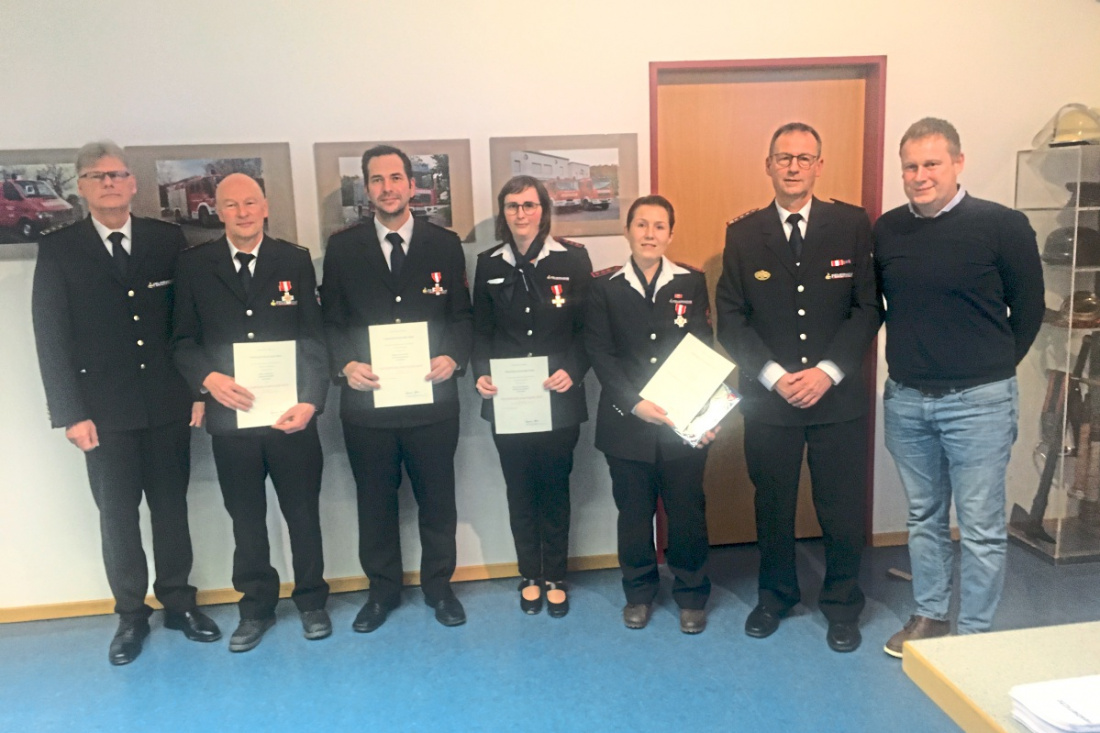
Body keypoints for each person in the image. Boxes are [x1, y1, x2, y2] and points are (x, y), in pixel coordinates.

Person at [31, 141, 220, 665]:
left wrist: (197, 390)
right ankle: (131, 615)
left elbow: (188, 322)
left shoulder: (166, 240)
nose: (109, 183)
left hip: (168, 401)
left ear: (133, 183)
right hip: (102, 412)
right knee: (117, 515)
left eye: (116, 174)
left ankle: (179, 603)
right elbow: (51, 337)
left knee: (171, 509)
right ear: (81, 187)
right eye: (97, 176)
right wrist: (69, 413)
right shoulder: (60, 248)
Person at [875, 118, 1044, 657]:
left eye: (932, 164)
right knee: (923, 518)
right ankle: (930, 616)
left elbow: (1030, 309)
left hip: (979, 404)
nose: (920, 175)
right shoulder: (887, 230)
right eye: (911, 166)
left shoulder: (1002, 225)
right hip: (907, 400)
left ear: (958, 163)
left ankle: (973, 637)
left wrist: (988, 369)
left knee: (980, 527)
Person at [715, 122, 880, 653]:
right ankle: (776, 595)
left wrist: (827, 371)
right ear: (768, 165)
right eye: (783, 157)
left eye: (804, 158)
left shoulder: (851, 224)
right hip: (771, 401)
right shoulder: (745, 234)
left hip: (837, 399)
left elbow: (867, 308)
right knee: (773, 505)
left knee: (841, 508)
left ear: (819, 166)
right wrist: (774, 375)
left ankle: (842, 604)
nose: (793, 167)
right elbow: (730, 318)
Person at [172, 173, 331, 652]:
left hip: (292, 418)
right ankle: (256, 607)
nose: (241, 213)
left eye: (249, 203)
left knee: (303, 515)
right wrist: (207, 379)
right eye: (230, 205)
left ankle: (312, 601)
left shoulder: (294, 260)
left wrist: (312, 400)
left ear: (265, 207)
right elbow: (181, 341)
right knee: (246, 520)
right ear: (217, 212)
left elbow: (314, 337)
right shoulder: (195, 265)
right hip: (231, 419)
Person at [322, 145, 473, 630]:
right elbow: (330, 321)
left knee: (438, 502)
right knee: (375, 506)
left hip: (433, 402)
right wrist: (346, 364)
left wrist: (453, 356)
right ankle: (381, 592)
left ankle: (439, 589)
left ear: (411, 185)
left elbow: (462, 315)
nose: (386, 188)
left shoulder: (444, 244)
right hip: (367, 405)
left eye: (394, 178)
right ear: (366, 189)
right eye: (376, 179)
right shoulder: (343, 248)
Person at [585, 194, 718, 634]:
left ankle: (692, 594)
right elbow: (600, 353)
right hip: (626, 423)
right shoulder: (604, 286)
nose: (649, 234)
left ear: (670, 234)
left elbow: (702, 349)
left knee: (687, 512)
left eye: (659, 226)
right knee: (634, 515)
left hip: (682, 421)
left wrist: (704, 415)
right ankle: (639, 593)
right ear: (627, 231)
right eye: (641, 225)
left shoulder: (691, 282)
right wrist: (634, 402)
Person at [472, 176, 592, 617]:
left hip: (557, 399)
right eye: (512, 206)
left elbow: (588, 330)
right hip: (508, 400)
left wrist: (573, 370)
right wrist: (481, 374)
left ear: (543, 210)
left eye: (529, 204)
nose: (521, 213)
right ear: (503, 213)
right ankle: (529, 574)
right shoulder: (488, 263)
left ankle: (555, 575)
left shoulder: (572, 260)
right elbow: (480, 331)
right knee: (519, 491)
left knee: (555, 490)